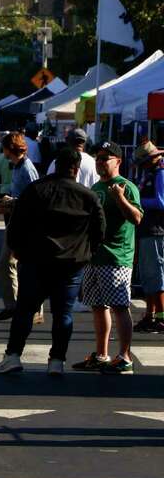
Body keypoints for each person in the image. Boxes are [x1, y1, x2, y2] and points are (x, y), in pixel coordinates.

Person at [0, 148, 105, 376]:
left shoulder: (35, 190)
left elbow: (16, 226)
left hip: (36, 260)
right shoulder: (88, 196)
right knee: (63, 314)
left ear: (56, 165)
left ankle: (13, 355)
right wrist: (86, 253)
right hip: (72, 263)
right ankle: (57, 360)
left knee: (25, 310)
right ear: (76, 169)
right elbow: (99, 231)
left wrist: (19, 251)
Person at [71, 142, 142, 374]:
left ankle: (125, 357)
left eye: (106, 158)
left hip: (116, 257)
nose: (101, 162)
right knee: (98, 306)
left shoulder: (126, 186)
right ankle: (102, 355)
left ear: (118, 161)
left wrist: (121, 198)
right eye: (99, 158)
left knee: (120, 306)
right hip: (95, 257)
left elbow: (137, 218)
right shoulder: (96, 186)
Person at [0, 133, 39, 321]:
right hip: (16, 220)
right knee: (9, 264)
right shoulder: (18, 166)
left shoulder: (26, 168)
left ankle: (25, 308)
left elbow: (35, 197)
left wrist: (12, 202)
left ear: (9, 148)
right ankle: (14, 306)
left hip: (25, 223)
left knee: (15, 265)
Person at [134, 144, 164, 333]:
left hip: (156, 230)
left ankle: (160, 317)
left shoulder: (160, 174)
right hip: (148, 230)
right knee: (148, 275)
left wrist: (137, 201)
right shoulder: (150, 174)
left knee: (157, 275)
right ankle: (150, 315)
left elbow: (161, 202)